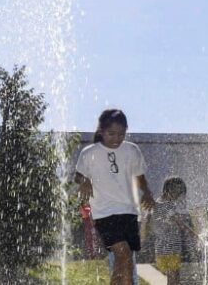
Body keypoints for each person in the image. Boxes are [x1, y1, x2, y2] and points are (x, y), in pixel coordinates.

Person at [75, 109, 154, 285]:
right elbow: (77, 175)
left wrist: (147, 193)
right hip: (104, 213)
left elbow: (139, 177)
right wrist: (84, 180)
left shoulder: (132, 150)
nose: (116, 138)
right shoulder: (89, 153)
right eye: (111, 134)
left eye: (121, 134)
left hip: (129, 212)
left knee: (125, 264)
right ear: (101, 131)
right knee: (123, 253)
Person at [152, 176, 194, 285]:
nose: (179, 196)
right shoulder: (168, 205)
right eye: (178, 193)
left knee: (172, 277)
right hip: (170, 249)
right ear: (170, 190)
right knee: (174, 277)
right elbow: (179, 222)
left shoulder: (158, 203)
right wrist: (193, 234)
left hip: (161, 248)